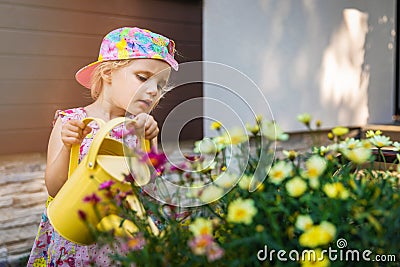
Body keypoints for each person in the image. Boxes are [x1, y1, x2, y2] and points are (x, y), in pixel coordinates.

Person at [27, 26, 179, 267]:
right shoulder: (71, 122)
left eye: (161, 86)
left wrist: (148, 142)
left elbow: (151, 191)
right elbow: (55, 189)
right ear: (108, 72)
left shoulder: (139, 128)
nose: (153, 91)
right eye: (143, 77)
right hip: (76, 238)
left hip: (122, 245)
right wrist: (69, 146)